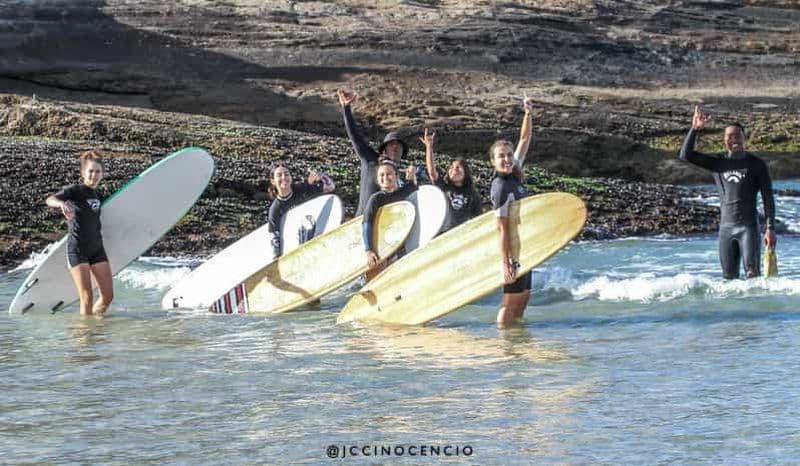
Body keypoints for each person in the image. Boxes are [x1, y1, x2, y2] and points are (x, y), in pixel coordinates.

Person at [679, 105, 776, 279]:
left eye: (738, 135)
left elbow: (768, 198)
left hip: (748, 228)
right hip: (725, 229)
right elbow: (686, 155)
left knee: (752, 275)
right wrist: (694, 129)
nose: (734, 139)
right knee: (728, 278)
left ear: (744, 138)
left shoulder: (756, 164)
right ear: (724, 140)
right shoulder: (718, 162)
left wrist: (770, 229)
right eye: (729, 136)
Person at [45, 150, 113, 315]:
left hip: (97, 249)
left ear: (102, 174)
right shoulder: (75, 190)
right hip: (77, 249)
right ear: (83, 173)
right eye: (91, 171)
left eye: (98, 172)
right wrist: (61, 204)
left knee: (108, 296)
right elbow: (50, 199)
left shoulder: (99, 195)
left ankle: (95, 326)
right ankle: (85, 338)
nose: (94, 175)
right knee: (87, 297)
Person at [490, 95, 535, 328]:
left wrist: (528, 113)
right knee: (510, 301)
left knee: (524, 297)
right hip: (512, 251)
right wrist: (506, 261)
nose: (507, 159)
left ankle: (516, 344)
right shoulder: (500, 186)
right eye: (502, 156)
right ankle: (503, 345)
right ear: (493, 161)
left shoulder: (514, 175)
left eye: (509, 155)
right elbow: (501, 228)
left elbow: (524, 138)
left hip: (524, 246)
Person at [337, 89, 409, 215]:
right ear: (385, 148)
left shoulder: (400, 175)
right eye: (392, 145)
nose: (395, 148)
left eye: (399, 146)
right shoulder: (370, 159)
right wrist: (346, 108)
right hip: (361, 221)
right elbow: (355, 136)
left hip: (386, 225)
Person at [362, 159, 418, 280]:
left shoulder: (403, 193)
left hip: (402, 247)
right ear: (377, 179)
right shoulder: (376, 198)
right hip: (381, 249)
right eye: (381, 175)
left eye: (389, 174)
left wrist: (412, 175)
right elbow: (367, 223)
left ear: (396, 176)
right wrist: (368, 250)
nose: (385, 177)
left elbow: (415, 188)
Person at [420, 128, 482, 232]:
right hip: (443, 233)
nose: (454, 170)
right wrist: (429, 146)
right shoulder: (443, 186)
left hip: (462, 234)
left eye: (458, 168)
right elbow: (431, 172)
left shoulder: (472, 194)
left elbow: (478, 218)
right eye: (452, 168)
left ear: (465, 172)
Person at [267, 164, 335, 258]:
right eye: (279, 175)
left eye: (287, 174)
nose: (284, 177)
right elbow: (274, 239)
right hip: (294, 251)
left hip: (314, 239)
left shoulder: (301, 189)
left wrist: (321, 176)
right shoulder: (275, 209)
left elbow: (330, 187)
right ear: (273, 181)